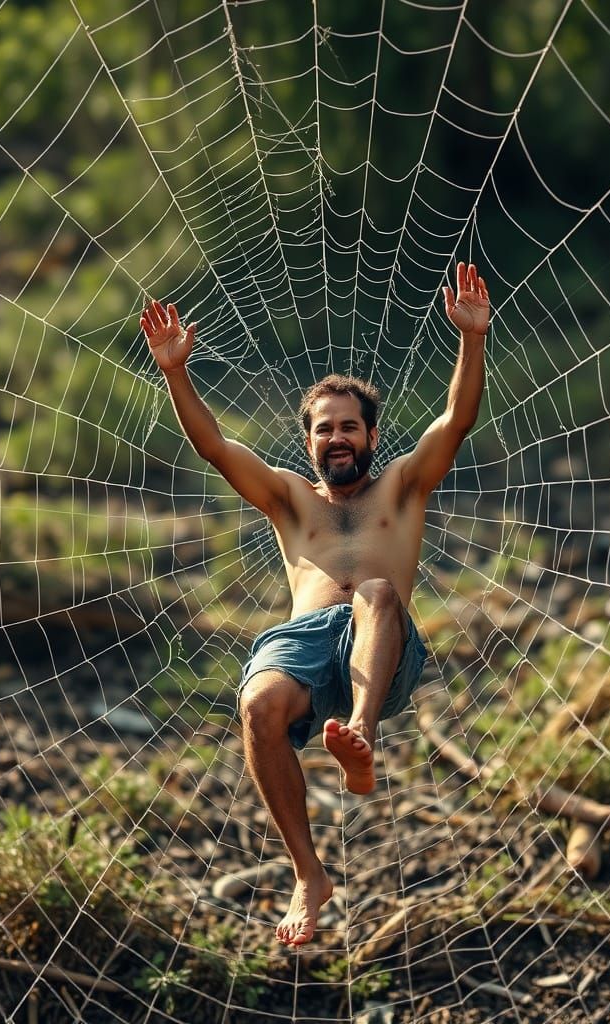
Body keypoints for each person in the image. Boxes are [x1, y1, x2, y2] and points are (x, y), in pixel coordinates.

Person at [140, 263, 489, 947]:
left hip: (381, 647)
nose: (337, 437)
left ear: (371, 437)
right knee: (257, 706)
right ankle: (309, 874)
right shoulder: (290, 499)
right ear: (308, 443)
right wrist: (176, 372)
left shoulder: (402, 488)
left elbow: (456, 420)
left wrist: (472, 340)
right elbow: (214, 446)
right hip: (303, 642)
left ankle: (359, 735)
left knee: (379, 591)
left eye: (350, 427)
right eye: (325, 428)